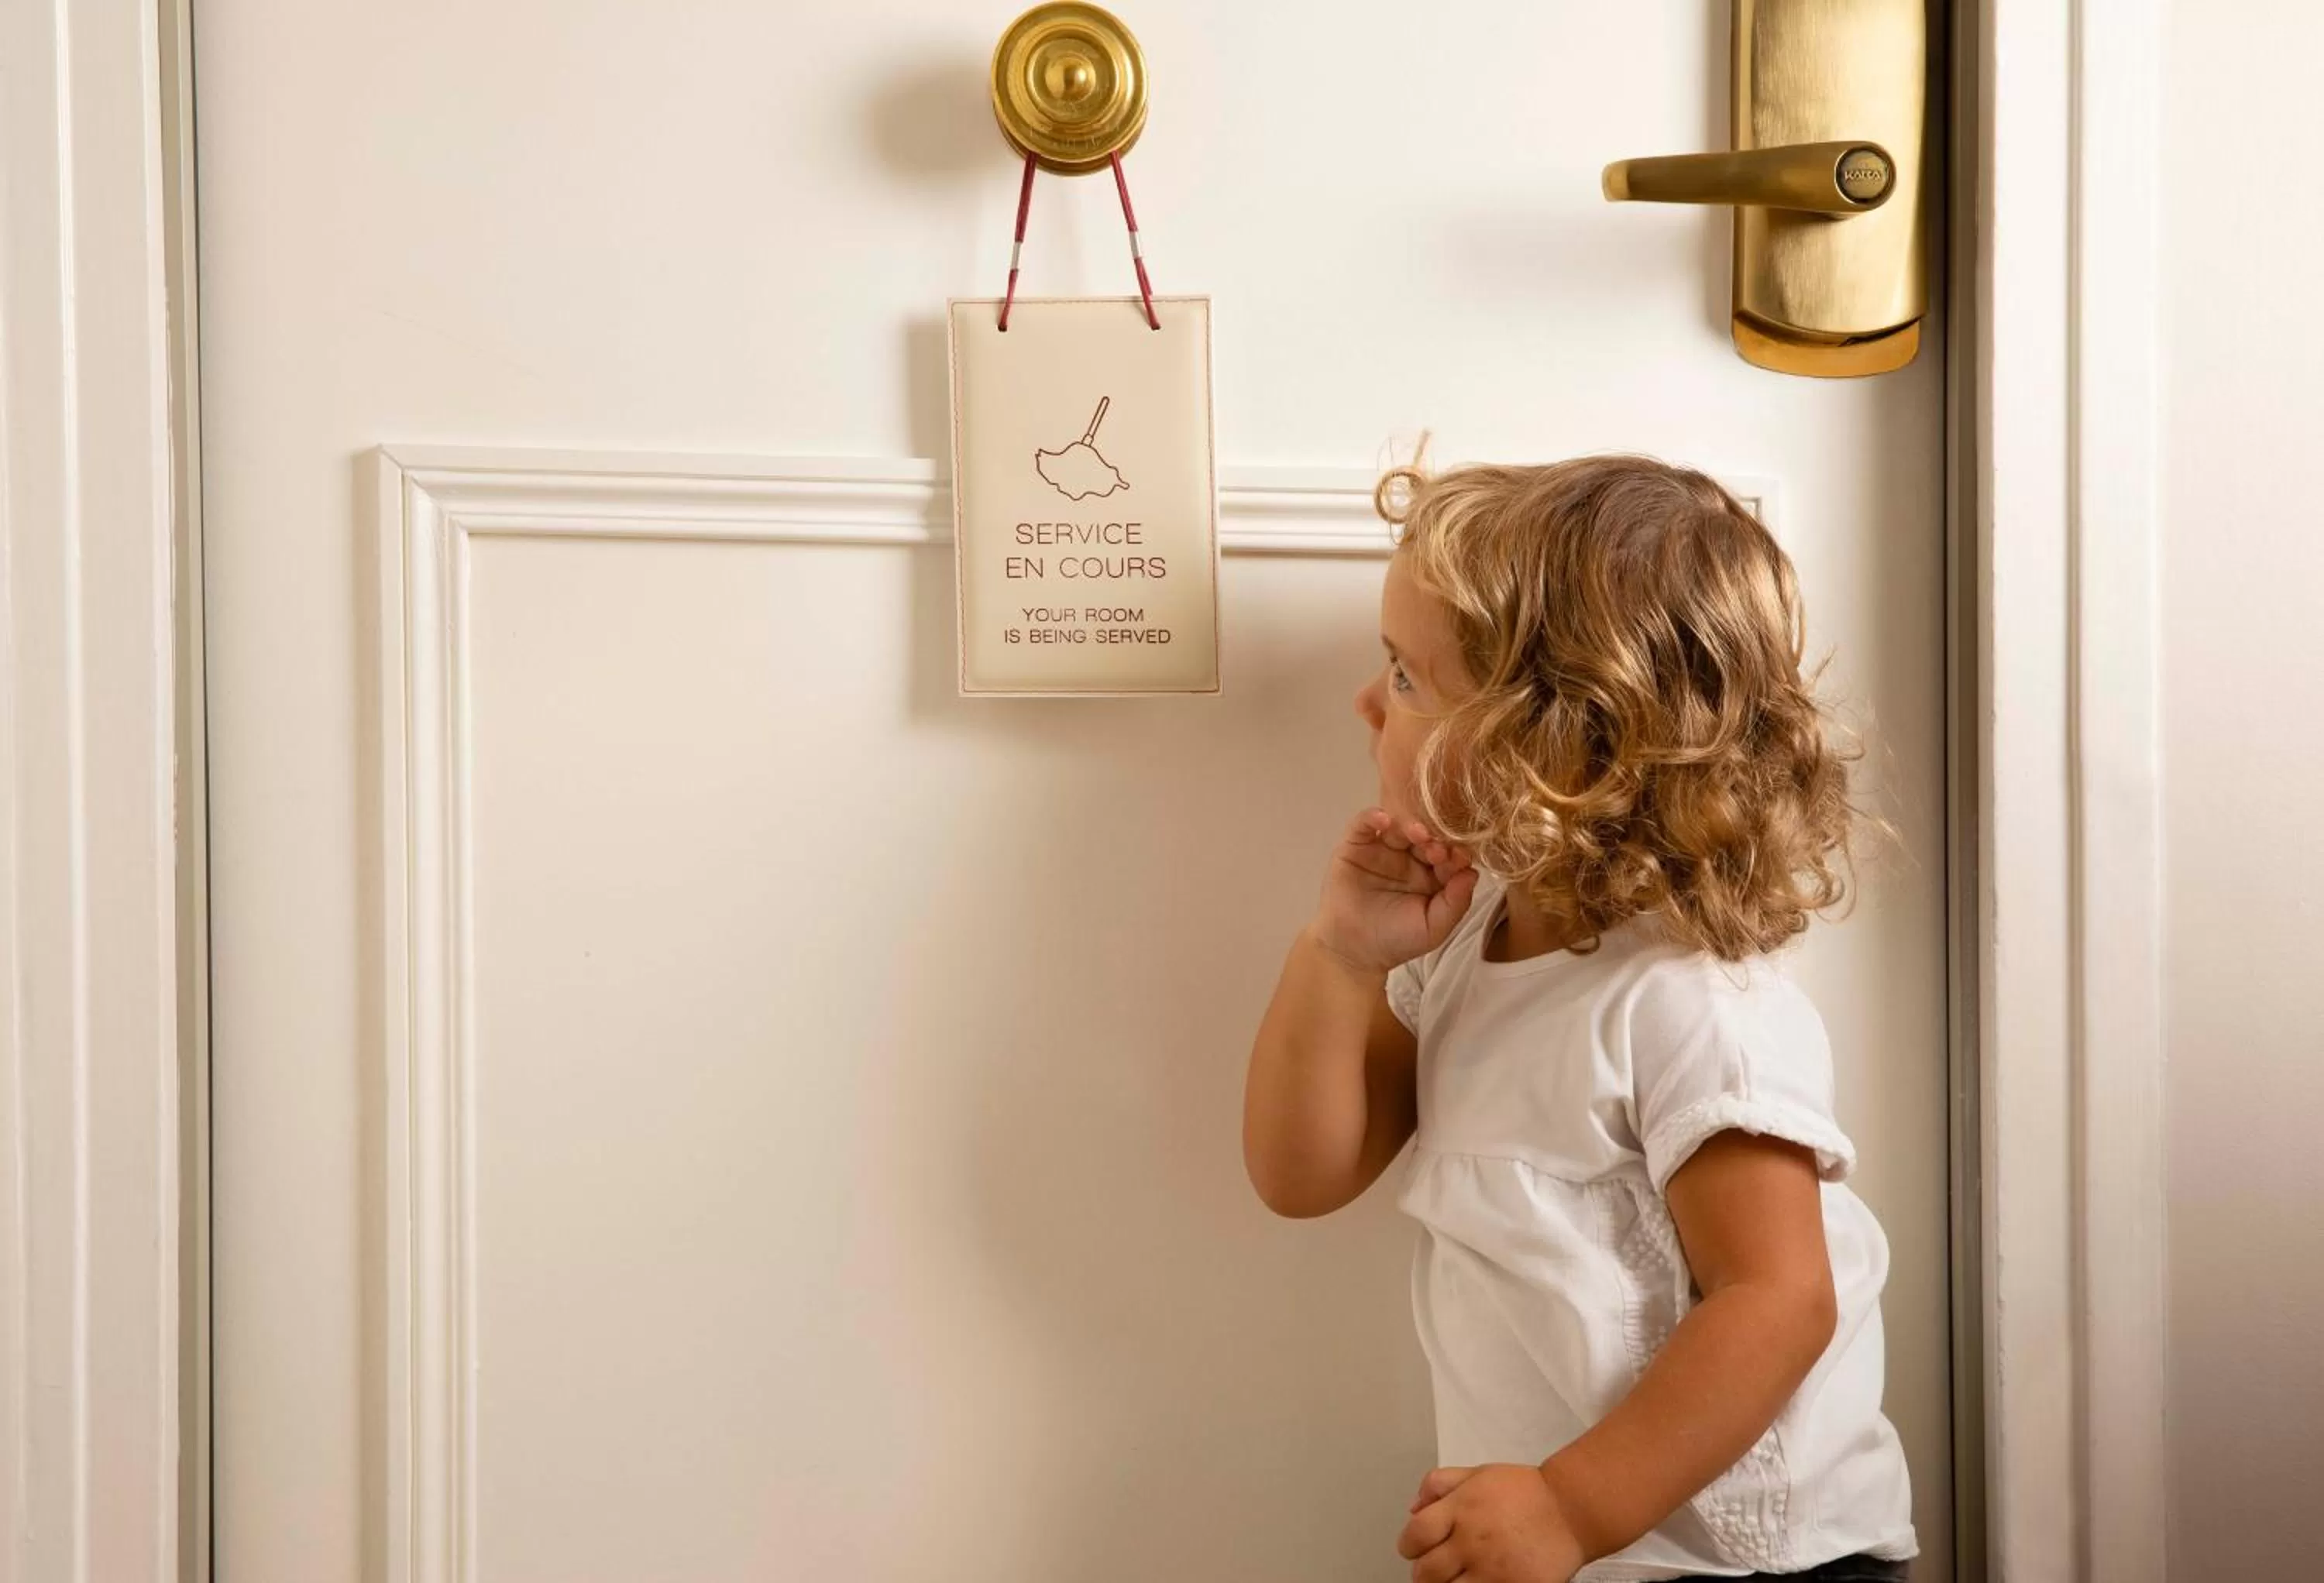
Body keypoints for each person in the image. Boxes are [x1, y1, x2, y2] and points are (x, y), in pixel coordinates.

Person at [1241, 455, 1916, 1582]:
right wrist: (1342, 957)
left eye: (1405, 677)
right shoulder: (1467, 944)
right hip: (1580, 1547)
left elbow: (1781, 1297)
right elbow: (1302, 1174)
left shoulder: (1689, 998)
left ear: (1552, 745)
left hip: (1743, 1560)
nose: (1366, 702)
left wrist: (1570, 1504)